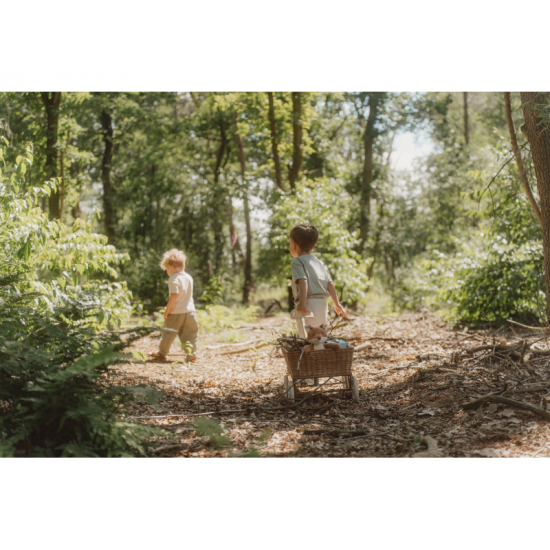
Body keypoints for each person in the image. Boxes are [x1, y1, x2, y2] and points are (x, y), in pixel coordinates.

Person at [289, 223, 347, 339]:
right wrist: (336, 303)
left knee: (308, 337)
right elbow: (330, 284)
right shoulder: (320, 263)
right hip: (322, 303)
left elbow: (303, 281)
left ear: (294, 244)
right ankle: (320, 356)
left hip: (308, 303)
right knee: (320, 335)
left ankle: (309, 357)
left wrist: (302, 303)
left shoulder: (297, 262)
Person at [150, 249, 199, 362]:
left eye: (166, 269)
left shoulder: (173, 279)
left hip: (176, 312)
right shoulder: (189, 277)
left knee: (168, 333)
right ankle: (191, 355)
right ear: (183, 265)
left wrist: (168, 309)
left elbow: (174, 294)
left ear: (170, 267)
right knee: (190, 334)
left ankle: (162, 352)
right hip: (190, 312)